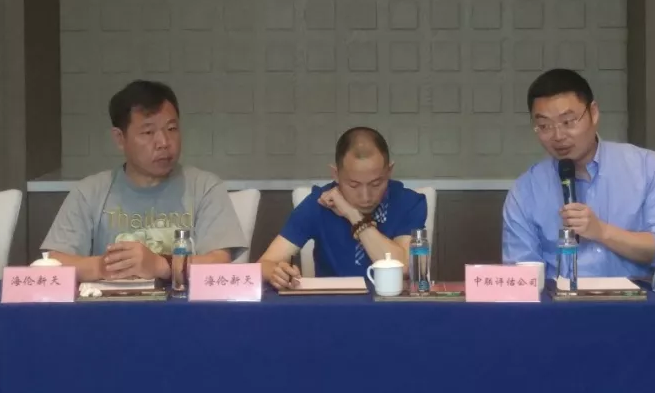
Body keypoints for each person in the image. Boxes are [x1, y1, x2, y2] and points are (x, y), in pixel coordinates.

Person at [42, 80, 247, 282]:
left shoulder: (205, 187)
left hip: (181, 303)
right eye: (148, 132)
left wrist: (161, 265)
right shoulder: (89, 193)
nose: (163, 142)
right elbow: (54, 263)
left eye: (172, 129)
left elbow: (219, 263)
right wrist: (103, 267)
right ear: (120, 139)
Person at [502, 69, 655, 278]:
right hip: (559, 299)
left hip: (637, 296)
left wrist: (602, 232)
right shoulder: (525, 191)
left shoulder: (646, 167)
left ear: (593, 113)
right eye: (544, 126)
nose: (558, 136)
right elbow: (520, 276)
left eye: (568, 122)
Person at [259, 127, 427, 290]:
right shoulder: (319, 203)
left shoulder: (409, 203)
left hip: (390, 304)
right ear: (336, 175)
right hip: (332, 304)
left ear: (389, 171)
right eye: (353, 185)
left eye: (376, 184)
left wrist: (354, 216)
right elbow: (264, 264)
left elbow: (404, 268)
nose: (366, 196)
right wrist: (276, 273)